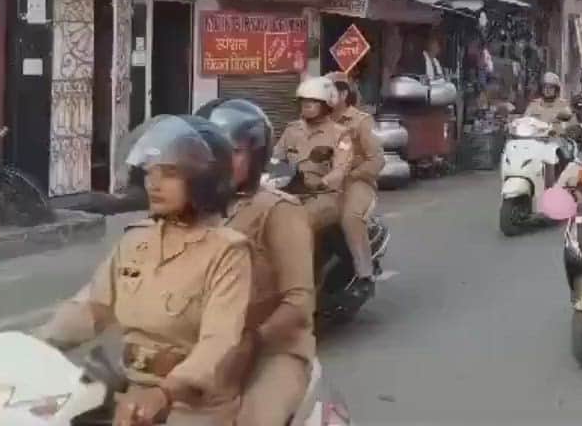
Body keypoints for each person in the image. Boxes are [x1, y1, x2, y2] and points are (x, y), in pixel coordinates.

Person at [35, 115, 252, 426]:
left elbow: (218, 341)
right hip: (132, 393)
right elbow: (92, 308)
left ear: (206, 180)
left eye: (170, 173)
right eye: (150, 171)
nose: (154, 182)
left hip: (192, 406)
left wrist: (164, 393)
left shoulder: (227, 252)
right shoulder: (137, 240)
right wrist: (32, 346)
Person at [195, 99, 315, 426]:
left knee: (255, 420)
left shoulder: (277, 210)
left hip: (271, 351)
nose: (219, 162)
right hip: (203, 345)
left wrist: (253, 341)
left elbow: (299, 302)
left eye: (233, 152)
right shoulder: (193, 210)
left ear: (256, 156)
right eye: (210, 152)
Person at [272, 77, 373, 301]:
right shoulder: (291, 131)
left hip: (323, 196)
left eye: (313, 102)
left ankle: (303, 284)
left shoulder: (340, 134)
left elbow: (341, 169)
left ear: (327, 104)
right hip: (290, 192)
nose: (306, 106)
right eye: (303, 102)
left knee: (299, 224)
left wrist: (323, 182)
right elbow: (275, 160)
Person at [325, 72, 381, 300]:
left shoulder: (361, 121)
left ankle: (365, 275)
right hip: (322, 184)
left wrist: (351, 175)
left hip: (356, 182)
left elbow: (377, 160)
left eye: (328, 92)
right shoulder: (315, 121)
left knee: (350, 217)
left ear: (343, 94)